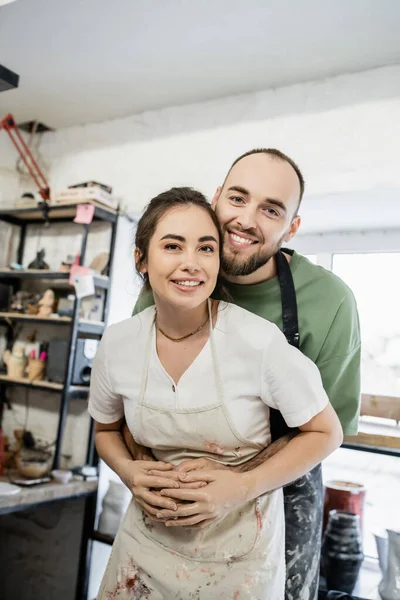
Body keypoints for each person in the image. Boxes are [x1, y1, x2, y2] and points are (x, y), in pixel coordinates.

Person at [125, 149, 361, 600]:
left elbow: (329, 431)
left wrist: (239, 485)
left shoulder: (330, 303)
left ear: (291, 227)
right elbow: (131, 400)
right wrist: (137, 472)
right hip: (176, 492)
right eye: (237, 198)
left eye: (271, 210)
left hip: (281, 495)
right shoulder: (176, 279)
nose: (246, 220)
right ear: (216, 199)